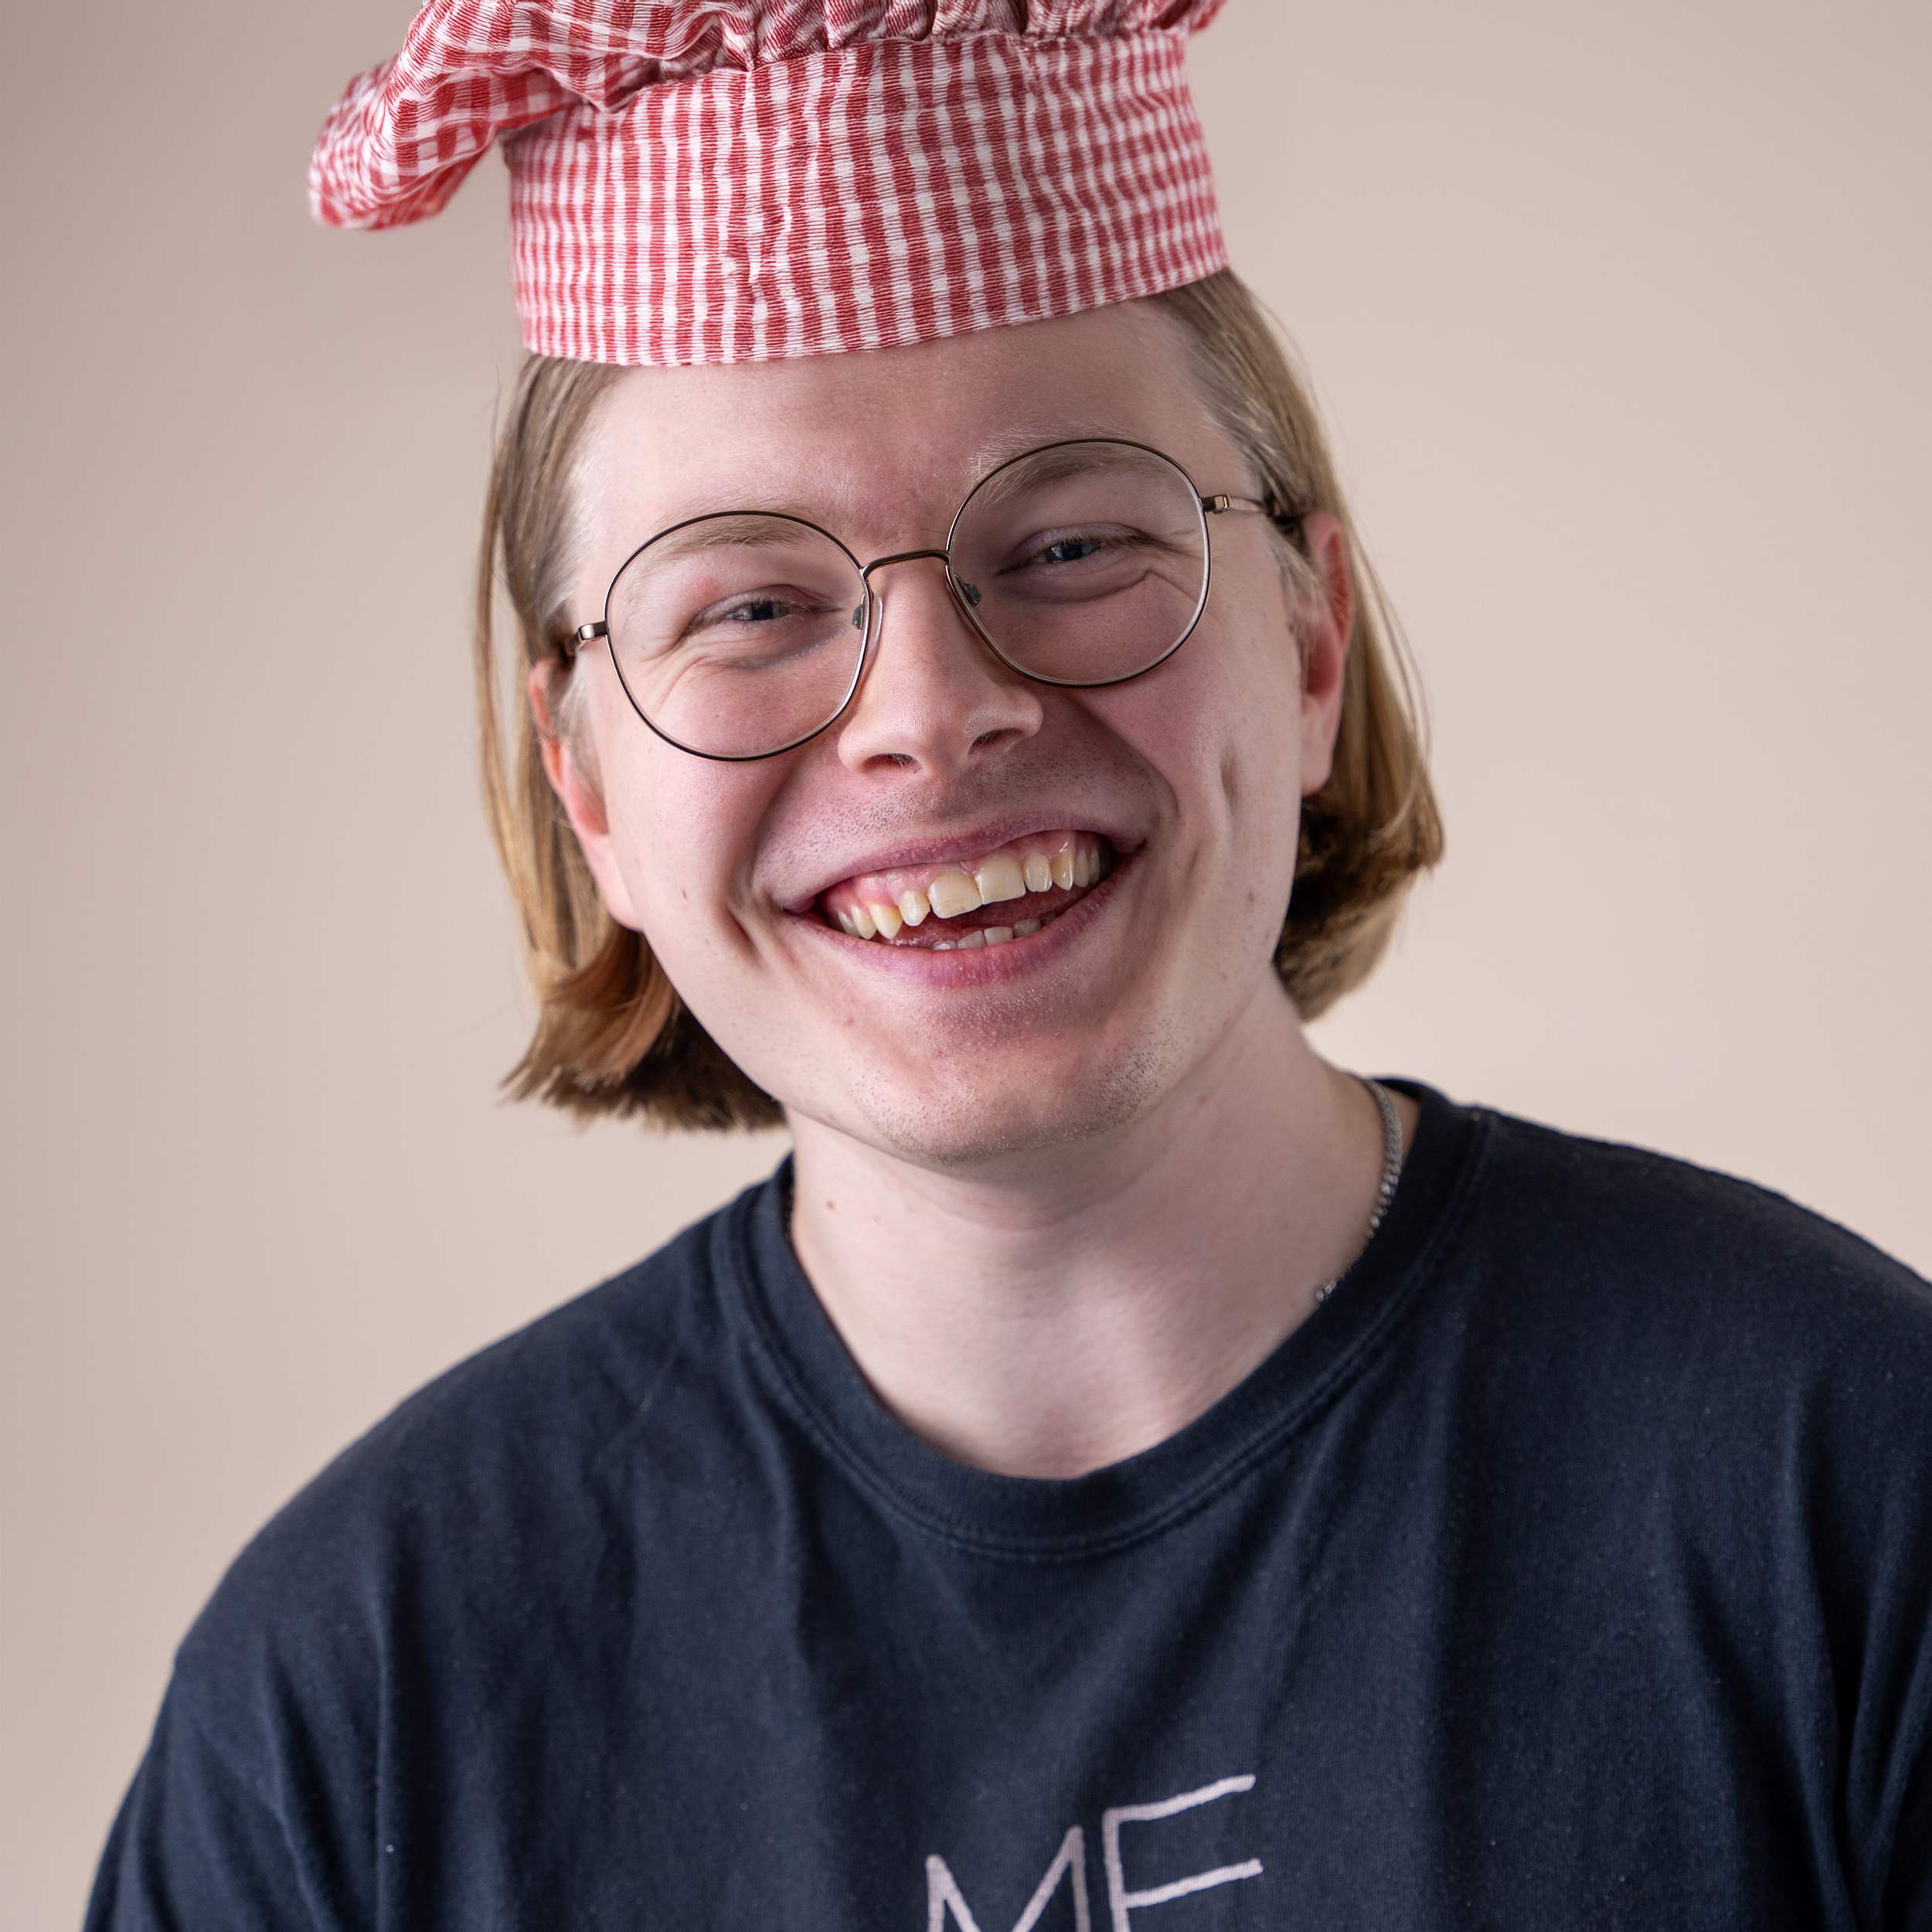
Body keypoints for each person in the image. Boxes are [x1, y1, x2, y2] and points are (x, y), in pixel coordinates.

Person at [89, 2, 1932, 1926]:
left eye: (1067, 546)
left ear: (1307, 643)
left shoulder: (1838, 1484)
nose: (929, 712)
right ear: (591, 789)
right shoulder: (348, 1718)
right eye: (750, 605)